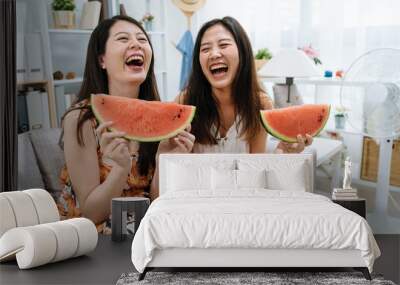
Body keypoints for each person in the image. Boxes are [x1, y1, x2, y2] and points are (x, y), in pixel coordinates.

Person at [57, 15, 194, 233]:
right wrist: (121, 169)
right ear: (101, 59)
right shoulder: (82, 119)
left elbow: (156, 204)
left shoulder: (160, 116)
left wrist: (164, 162)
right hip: (94, 239)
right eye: (123, 39)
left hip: (144, 230)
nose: (136, 43)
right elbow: (91, 213)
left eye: (142, 39)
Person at [176, 16, 312, 153]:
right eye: (205, 49)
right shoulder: (184, 102)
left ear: (242, 52)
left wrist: (283, 151)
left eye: (223, 45)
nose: (214, 54)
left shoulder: (261, 104)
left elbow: (256, 166)